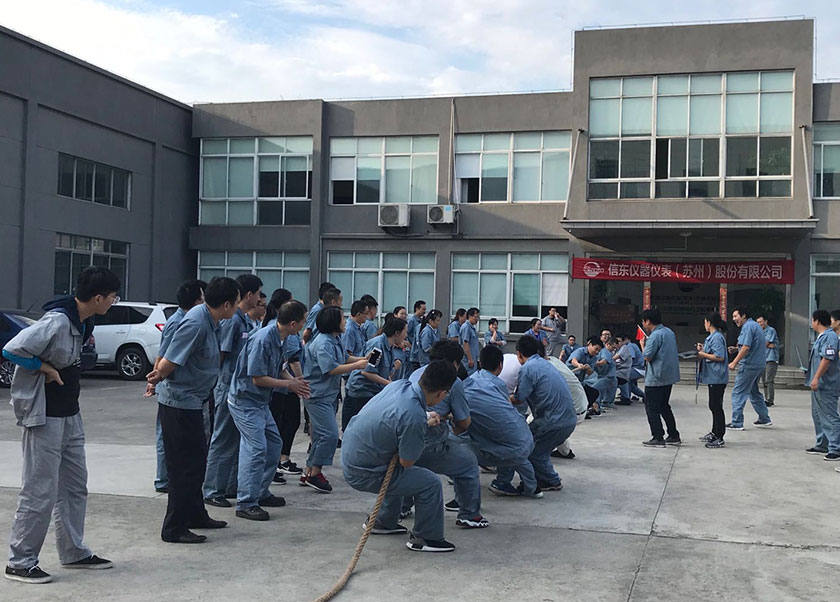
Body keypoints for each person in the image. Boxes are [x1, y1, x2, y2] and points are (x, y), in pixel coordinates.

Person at [2, 266, 119, 583]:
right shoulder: (57, 321)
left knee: (74, 486)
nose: (113, 301)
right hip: (45, 416)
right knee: (39, 490)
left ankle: (73, 551)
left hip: (70, 414)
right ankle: (20, 561)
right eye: (112, 296)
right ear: (98, 297)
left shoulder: (84, 319)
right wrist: (44, 368)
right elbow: (11, 349)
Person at [147, 276, 240, 544]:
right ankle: (174, 527)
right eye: (236, 302)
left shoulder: (212, 320)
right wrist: (158, 376)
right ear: (226, 304)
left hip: (197, 399)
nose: (238, 308)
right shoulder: (196, 323)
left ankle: (196, 514)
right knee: (184, 466)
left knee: (197, 461)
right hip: (180, 402)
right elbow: (170, 359)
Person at [342, 361, 458, 553]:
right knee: (429, 483)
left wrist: (423, 418)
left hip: (352, 455)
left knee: (398, 471)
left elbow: (399, 415)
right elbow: (407, 461)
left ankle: (383, 521)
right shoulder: (413, 416)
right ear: (441, 393)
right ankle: (426, 537)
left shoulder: (399, 385)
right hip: (363, 472)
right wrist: (423, 426)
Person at [227, 300, 310, 521]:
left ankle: (260, 492)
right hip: (245, 401)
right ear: (293, 324)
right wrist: (290, 385)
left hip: (260, 402)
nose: (304, 325)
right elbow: (258, 378)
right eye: (303, 320)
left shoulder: (281, 338)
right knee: (255, 449)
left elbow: (279, 367)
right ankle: (246, 502)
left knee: (274, 446)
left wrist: (295, 382)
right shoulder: (263, 339)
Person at [404, 340, 486, 529]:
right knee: (467, 462)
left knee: (407, 468)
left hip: (405, 438)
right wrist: (451, 429)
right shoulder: (453, 381)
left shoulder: (416, 373)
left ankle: (401, 507)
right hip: (430, 440)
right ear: (455, 364)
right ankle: (469, 514)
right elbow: (464, 422)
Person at [203, 273, 263, 508]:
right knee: (223, 439)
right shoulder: (232, 321)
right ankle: (212, 489)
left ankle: (229, 486)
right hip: (228, 387)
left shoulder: (244, 320)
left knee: (236, 441)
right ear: (249, 295)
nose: (259, 299)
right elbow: (220, 355)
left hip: (241, 389)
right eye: (258, 294)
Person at [493, 336, 577, 494]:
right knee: (537, 449)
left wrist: (498, 399)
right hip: (567, 418)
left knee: (527, 448)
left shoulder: (527, 369)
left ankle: (549, 480)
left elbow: (519, 398)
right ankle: (546, 479)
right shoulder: (546, 364)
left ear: (519, 354)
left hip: (553, 421)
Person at [146, 279, 207, 494]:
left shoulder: (191, 320)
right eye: (203, 297)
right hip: (172, 389)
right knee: (166, 436)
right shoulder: (178, 322)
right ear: (197, 300)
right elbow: (164, 355)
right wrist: (154, 381)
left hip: (183, 388)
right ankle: (163, 479)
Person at [302, 306, 369, 492]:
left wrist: (363, 359)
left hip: (327, 393)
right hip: (317, 395)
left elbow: (344, 358)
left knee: (320, 435)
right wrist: (358, 365)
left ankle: (309, 470)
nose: (345, 321)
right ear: (333, 322)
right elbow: (331, 368)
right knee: (330, 434)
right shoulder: (323, 343)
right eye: (342, 318)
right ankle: (315, 473)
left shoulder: (334, 339)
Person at [464, 346, 538, 497]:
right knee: (515, 449)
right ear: (500, 366)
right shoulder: (498, 385)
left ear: (480, 362)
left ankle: (499, 480)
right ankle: (529, 486)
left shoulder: (468, 383)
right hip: (520, 442)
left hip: (485, 439)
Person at [263, 289, 304, 479]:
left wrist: (294, 382)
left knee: (279, 426)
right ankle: (278, 463)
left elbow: (280, 365)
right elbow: (292, 359)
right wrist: (296, 382)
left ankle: (275, 465)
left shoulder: (275, 329)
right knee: (283, 424)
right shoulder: (276, 333)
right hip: (278, 389)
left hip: (282, 385)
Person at [343, 317, 408, 430]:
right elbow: (367, 372)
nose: (406, 336)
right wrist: (390, 384)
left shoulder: (390, 346)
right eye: (405, 332)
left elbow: (384, 372)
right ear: (397, 333)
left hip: (373, 391)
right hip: (361, 392)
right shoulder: (377, 346)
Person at [726, 306, 773, 430]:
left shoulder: (747, 327)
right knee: (754, 392)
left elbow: (746, 347)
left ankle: (736, 422)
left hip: (749, 365)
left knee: (738, 392)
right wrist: (736, 349)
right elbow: (752, 345)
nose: (734, 319)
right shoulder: (755, 326)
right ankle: (764, 419)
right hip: (759, 365)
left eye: (736, 316)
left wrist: (734, 362)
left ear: (743, 315)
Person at [640, 308, 681, 448]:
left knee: (651, 408)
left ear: (648, 321)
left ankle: (658, 437)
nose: (643, 324)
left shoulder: (655, 336)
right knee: (664, 406)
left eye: (643, 321)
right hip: (668, 377)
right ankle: (673, 434)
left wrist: (643, 346)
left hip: (656, 377)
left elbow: (647, 356)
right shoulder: (669, 332)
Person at [805, 310, 840, 461]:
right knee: (818, 415)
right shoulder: (822, 337)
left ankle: (835, 448)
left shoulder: (830, 337)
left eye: (812, 320)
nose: (811, 323)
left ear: (817, 321)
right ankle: (822, 443)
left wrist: (816, 377)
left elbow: (827, 358)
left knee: (829, 416)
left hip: (826, 383)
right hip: (818, 384)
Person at [696, 312, 729, 449]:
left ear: (709, 323)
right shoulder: (713, 337)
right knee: (713, 405)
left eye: (705, 322)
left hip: (717, 377)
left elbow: (720, 357)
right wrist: (703, 350)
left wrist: (703, 354)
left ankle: (719, 436)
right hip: (713, 377)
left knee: (716, 406)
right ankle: (715, 433)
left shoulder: (716, 337)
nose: (704, 325)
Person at [566, 336, 603, 417]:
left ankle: (583, 412)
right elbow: (573, 360)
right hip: (570, 380)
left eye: (599, 351)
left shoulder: (594, 358)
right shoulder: (580, 351)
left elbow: (590, 373)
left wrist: (588, 368)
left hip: (580, 382)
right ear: (590, 345)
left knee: (593, 393)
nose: (597, 352)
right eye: (596, 349)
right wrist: (578, 365)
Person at [587, 337, 618, 410]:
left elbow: (604, 361)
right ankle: (599, 404)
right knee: (595, 389)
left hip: (607, 377)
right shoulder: (605, 351)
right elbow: (604, 361)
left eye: (615, 349)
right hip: (606, 377)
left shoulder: (606, 352)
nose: (614, 350)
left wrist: (594, 364)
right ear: (608, 345)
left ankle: (597, 405)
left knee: (595, 389)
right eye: (613, 347)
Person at [756, 315, 780, 407]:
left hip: (771, 358)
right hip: (763, 359)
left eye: (761, 322)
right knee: (764, 380)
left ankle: (770, 400)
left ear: (766, 321)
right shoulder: (758, 332)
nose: (759, 324)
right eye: (758, 322)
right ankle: (766, 399)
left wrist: (764, 344)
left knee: (769, 380)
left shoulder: (771, 330)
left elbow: (766, 343)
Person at [406, 300, 426, 375]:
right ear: (417, 309)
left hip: (418, 352)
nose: (424, 311)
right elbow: (405, 333)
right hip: (411, 350)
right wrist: (409, 345)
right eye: (423, 309)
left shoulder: (422, 320)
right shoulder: (411, 320)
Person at [614, 335, 634, 405]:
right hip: (619, 370)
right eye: (616, 342)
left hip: (623, 370)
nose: (617, 343)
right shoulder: (616, 349)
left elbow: (615, 358)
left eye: (619, 341)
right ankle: (625, 397)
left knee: (610, 380)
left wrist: (606, 360)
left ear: (623, 342)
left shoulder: (624, 348)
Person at [460, 308, 480, 376]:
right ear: (469, 316)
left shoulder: (472, 328)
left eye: (478, 317)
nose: (477, 319)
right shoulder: (466, 327)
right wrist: (470, 359)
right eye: (475, 317)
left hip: (473, 359)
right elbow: (465, 343)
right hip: (468, 360)